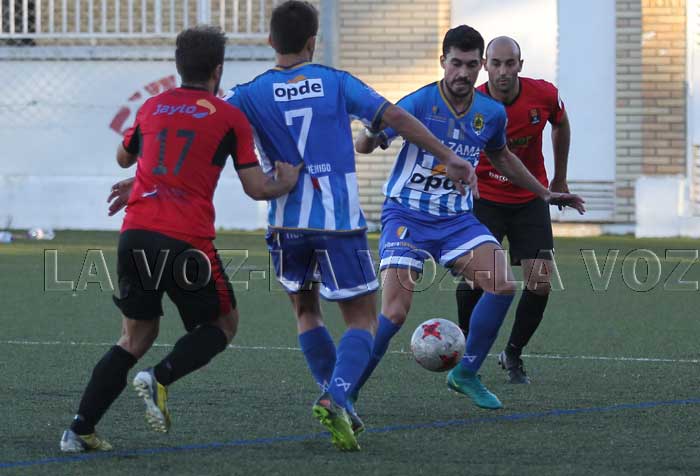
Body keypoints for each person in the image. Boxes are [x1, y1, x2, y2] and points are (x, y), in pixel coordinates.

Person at [224, 1, 480, 451]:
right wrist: (449, 156)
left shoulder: (247, 94)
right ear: (313, 41)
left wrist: (146, 176)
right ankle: (337, 396)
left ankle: (337, 399)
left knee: (306, 313)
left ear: (270, 41)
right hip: (338, 223)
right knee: (362, 320)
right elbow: (394, 117)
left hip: (285, 226)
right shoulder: (336, 82)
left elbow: (210, 130)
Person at [59, 26, 301, 453]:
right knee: (222, 325)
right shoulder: (229, 117)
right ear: (218, 70)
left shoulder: (152, 106)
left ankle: (79, 430)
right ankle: (160, 377)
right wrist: (287, 180)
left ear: (178, 66)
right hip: (184, 241)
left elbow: (124, 157)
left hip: (135, 233)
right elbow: (256, 188)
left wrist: (142, 177)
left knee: (134, 337)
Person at [352, 26, 584, 412]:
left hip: (455, 219)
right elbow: (365, 145)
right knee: (394, 312)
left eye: (471, 65)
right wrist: (371, 128)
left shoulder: (490, 113)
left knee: (503, 285)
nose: (463, 72)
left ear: (480, 67)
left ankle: (466, 373)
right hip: (407, 215)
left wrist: (544, 192)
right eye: (456, 63)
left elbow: (502, 157)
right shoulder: (420, 102)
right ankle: (347, 390)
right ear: (442, 61)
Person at [455, 36, 571, 384]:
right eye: (496, 63)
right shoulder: (470, 102)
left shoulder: (544, 95)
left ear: (520, 65)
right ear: (485, 66)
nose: (503, 71)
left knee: (541, 281)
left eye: (510, 63)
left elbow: (561, 123)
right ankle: (466, 349)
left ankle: (513, 353)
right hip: (484, 198)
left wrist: (560, 178)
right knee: (477, 279)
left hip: (529, 198)